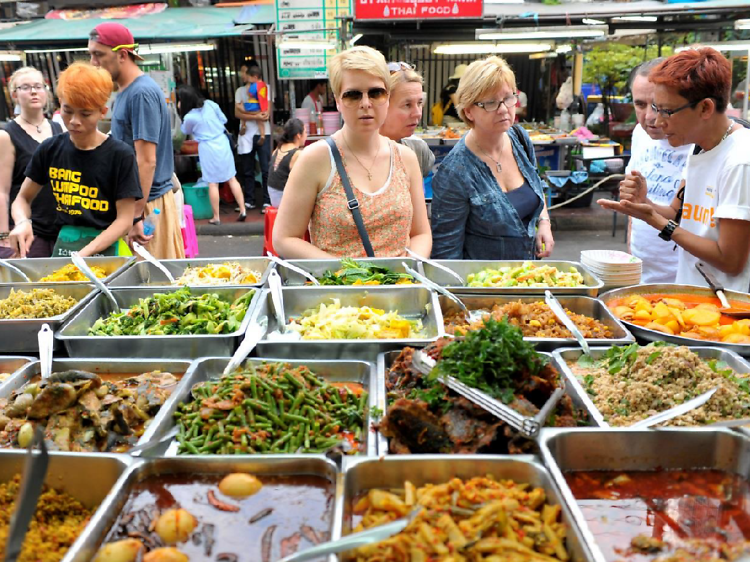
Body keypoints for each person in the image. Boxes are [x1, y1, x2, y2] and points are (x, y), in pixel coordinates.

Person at [600, 48, 750, 292]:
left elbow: (730, 261)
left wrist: (657, 222)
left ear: (705, 108)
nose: (657, 121)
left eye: (667, 111)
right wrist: (644, 204)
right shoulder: (699, 147)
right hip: (691, 296)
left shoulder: (740, 160)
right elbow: (675, 213)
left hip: (725, 312)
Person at [273, 46, 431, 259]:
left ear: (387, 96)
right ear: (337, 100)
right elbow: (284, 238)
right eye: (353, 95)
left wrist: (408, 269)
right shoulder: (315, 159)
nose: (365, 103)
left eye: (376, 93)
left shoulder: (406, 158)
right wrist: (344, 273)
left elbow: (421, 233)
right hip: (340, 289)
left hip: (400, 288)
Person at [9, 62, 141, 258]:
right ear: (59, 103)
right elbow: (22, 198)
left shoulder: (120, 155)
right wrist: (22, 222)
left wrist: (85, 252)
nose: (74, 121)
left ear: (102, 112)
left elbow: (124, 220)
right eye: (68, 110)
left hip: (106, 248)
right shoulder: (50, 149)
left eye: (85, 113)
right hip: (64, 245)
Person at [431, 56, 554, 260]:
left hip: (527, 278)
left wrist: (543, 222)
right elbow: (446, 253)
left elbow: (536, 186)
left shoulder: (520, 139)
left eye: (508, 98)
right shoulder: (454, 172)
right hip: (484, 285)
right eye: (490, 103)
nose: (504, 109)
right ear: (469, 111)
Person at [88, 22, 185, 259]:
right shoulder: (124, 91)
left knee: (154, 282)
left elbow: (146, 161)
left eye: (98, 55)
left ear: (122, 54)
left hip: (148, 206)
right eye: (90, 55)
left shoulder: (141, 93)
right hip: (138, 204)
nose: (93, 63)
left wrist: (135, 216)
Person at [624, 59, 693, 284]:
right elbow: (633, 203)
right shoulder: (639, 135)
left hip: (683, 277)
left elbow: (681, 215)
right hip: (640, 273)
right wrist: (631, 252)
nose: (649, 117)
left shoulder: (698, 144)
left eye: (656, 105)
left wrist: (645, 206)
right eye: (640, 104)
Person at [0, 67, 63, 259]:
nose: (34, 92)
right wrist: (3, 236)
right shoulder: (6, 135)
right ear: (14, 95)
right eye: (25, 87)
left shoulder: (58, 127)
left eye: (38, 86)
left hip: (60, 227)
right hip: (28, 228)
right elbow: (2, 190)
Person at [176, 85, 247, 225]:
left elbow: (184, 130)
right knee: (232, 178)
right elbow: (224, 120)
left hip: (207, 147)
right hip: (222, 142)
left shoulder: (190, 117)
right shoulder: (210, 104)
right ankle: (243, 210)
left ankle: (216, 217)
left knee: (212, 183)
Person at [381, 61, 435, 178]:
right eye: (407, 105)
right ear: (382, 106)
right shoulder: (350, 155)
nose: (417, 113)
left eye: (420, 103)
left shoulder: (418, 150)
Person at [235, 65, 272, 212]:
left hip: (264, 132)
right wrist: (255, 116)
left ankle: (267, 201)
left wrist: (253, 115)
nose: (245, 78)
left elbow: (266, 113)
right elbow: (237, 113)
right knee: (247, 169)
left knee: (265, 168)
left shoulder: (265, 88)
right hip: (245, 134)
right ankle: (249, 200)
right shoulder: (240, 91)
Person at [267, 118, 307, 208]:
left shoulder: (279, 148)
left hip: (273, 196)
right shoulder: (296, 154)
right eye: (305, 132)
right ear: (298, 136)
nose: (306, 135)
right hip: (282, 199)